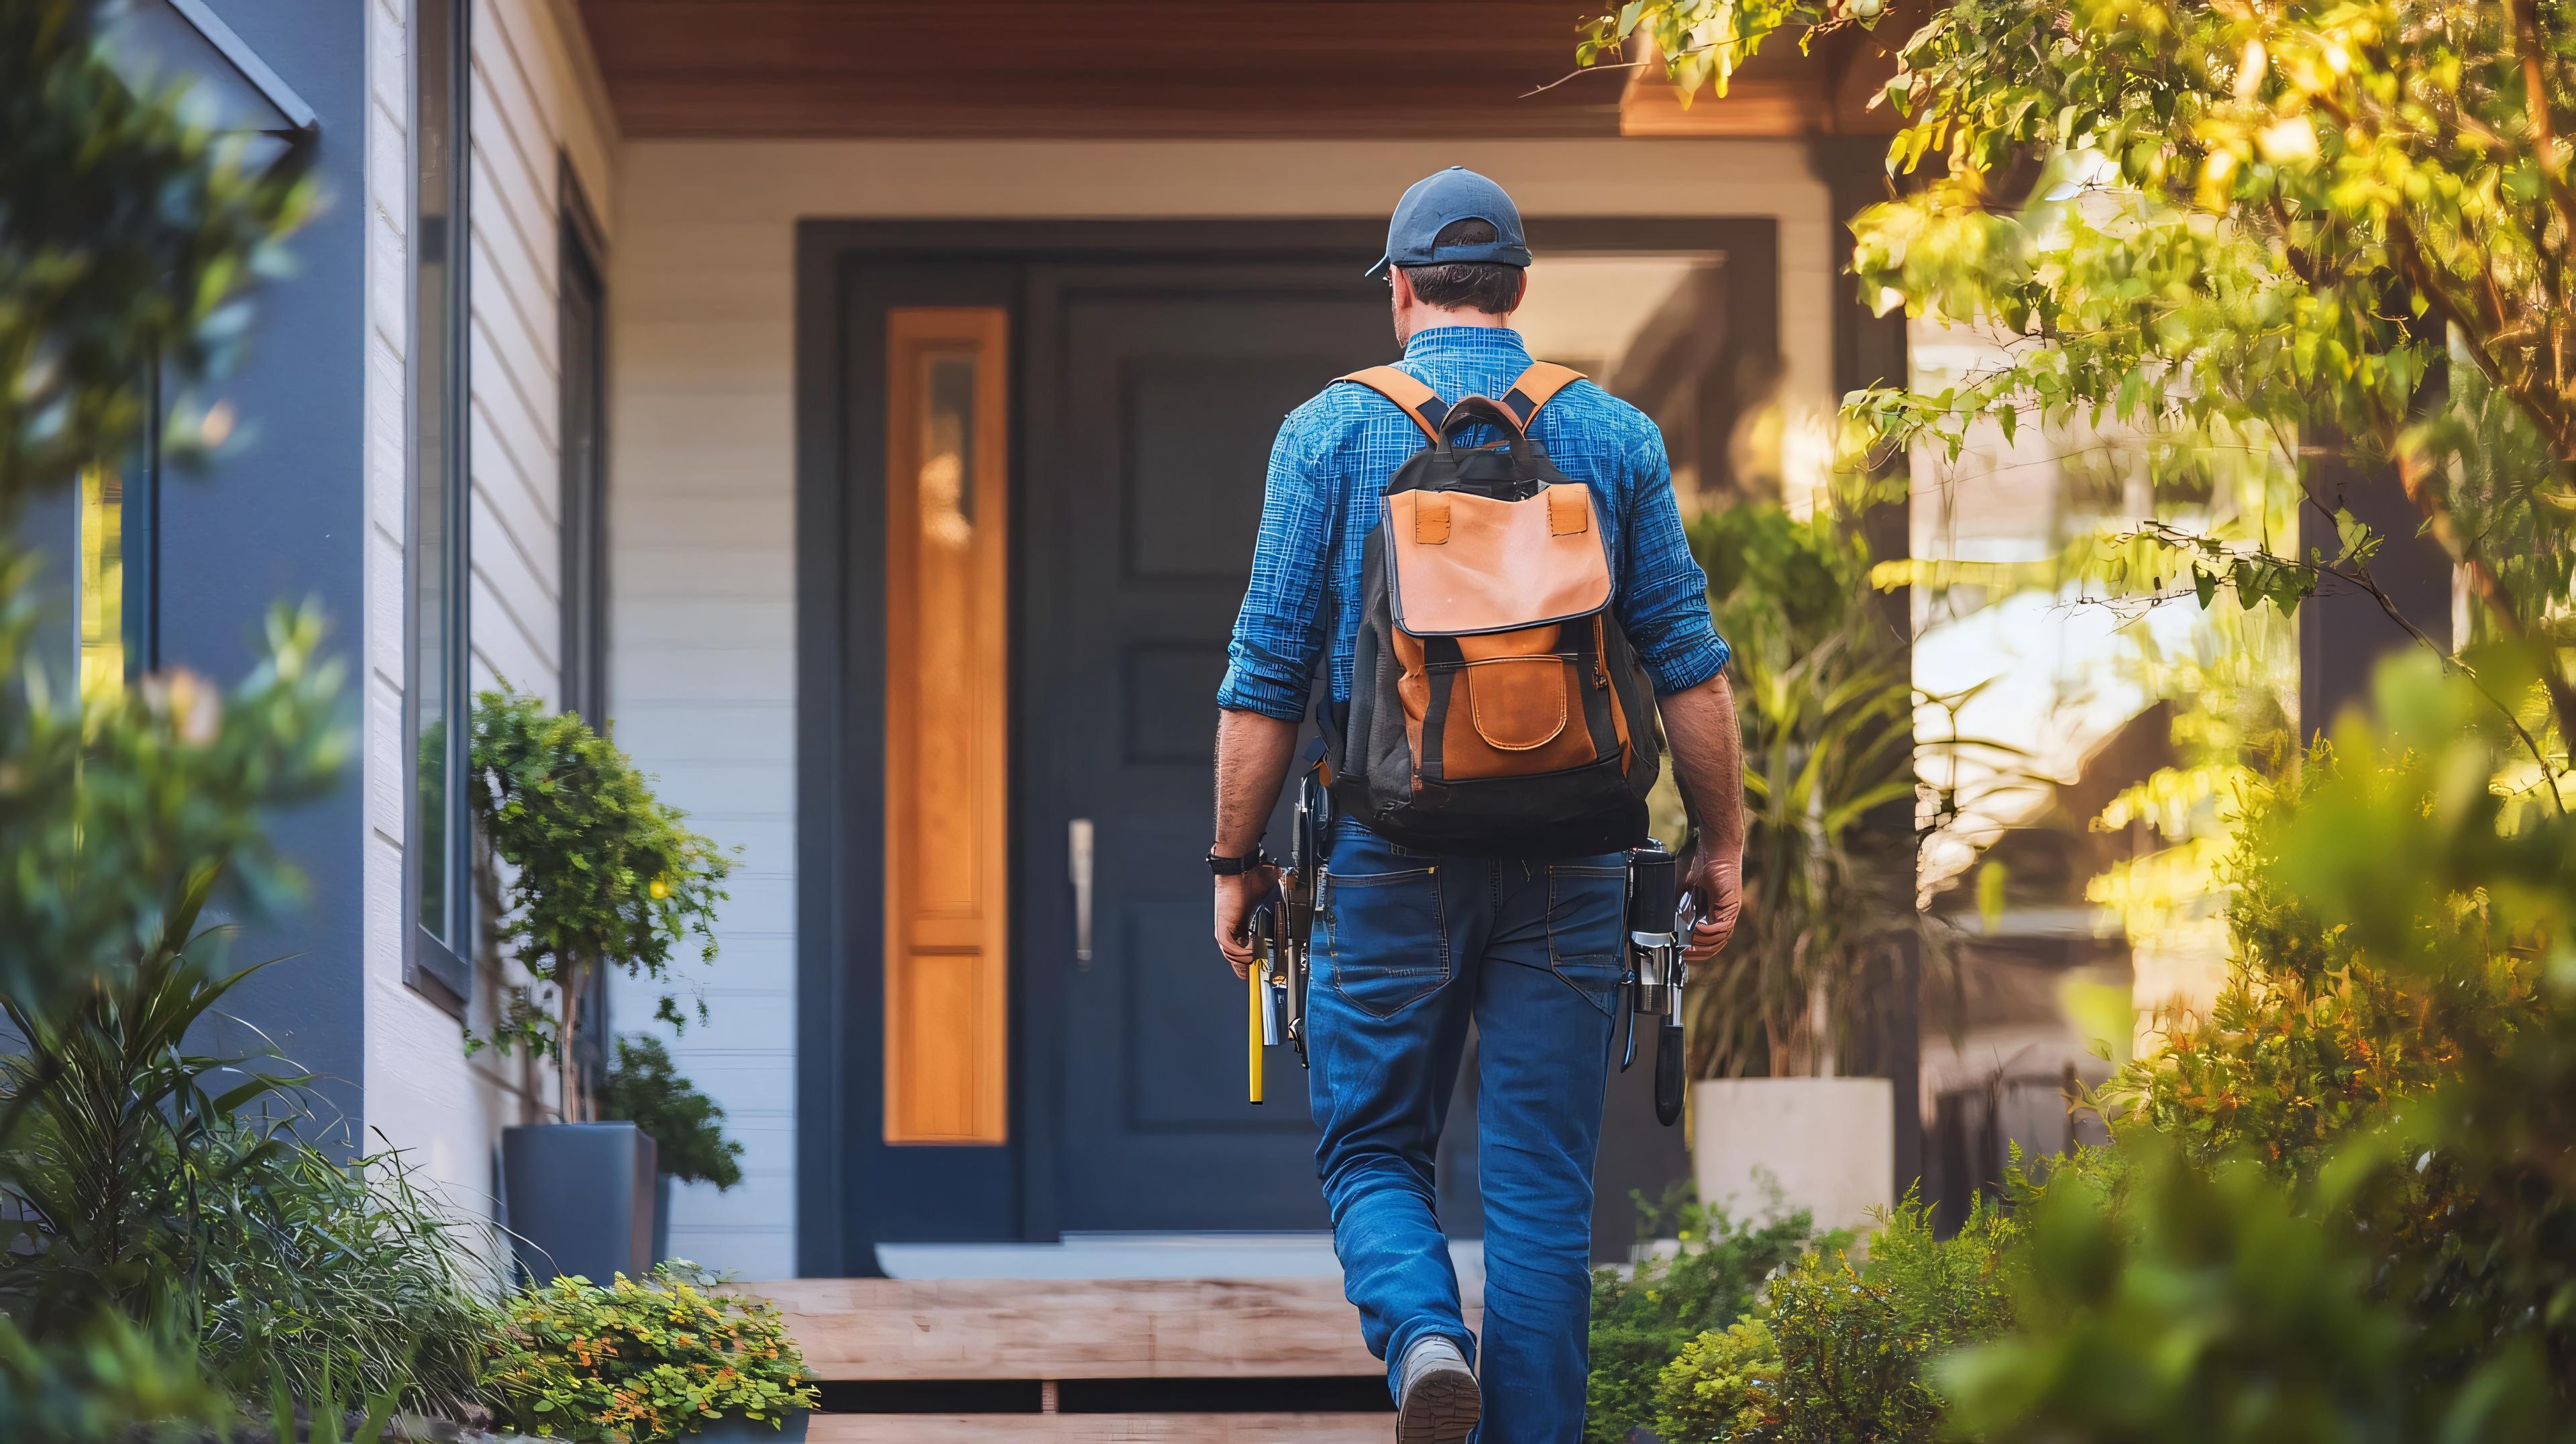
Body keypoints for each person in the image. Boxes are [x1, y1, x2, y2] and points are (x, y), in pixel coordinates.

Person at [1208, 166, 1749, 1444]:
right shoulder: (1610, 434)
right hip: (1574, 868)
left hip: (1387, 862)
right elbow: (1686, 660)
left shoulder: (1326, 436)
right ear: (1516, 289)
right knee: (1545, 1198)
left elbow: (1264, 672)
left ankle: (1425, 1340)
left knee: (1374, 1153)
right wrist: (1720, 844)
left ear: (1400, 289)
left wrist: (1234, 859)